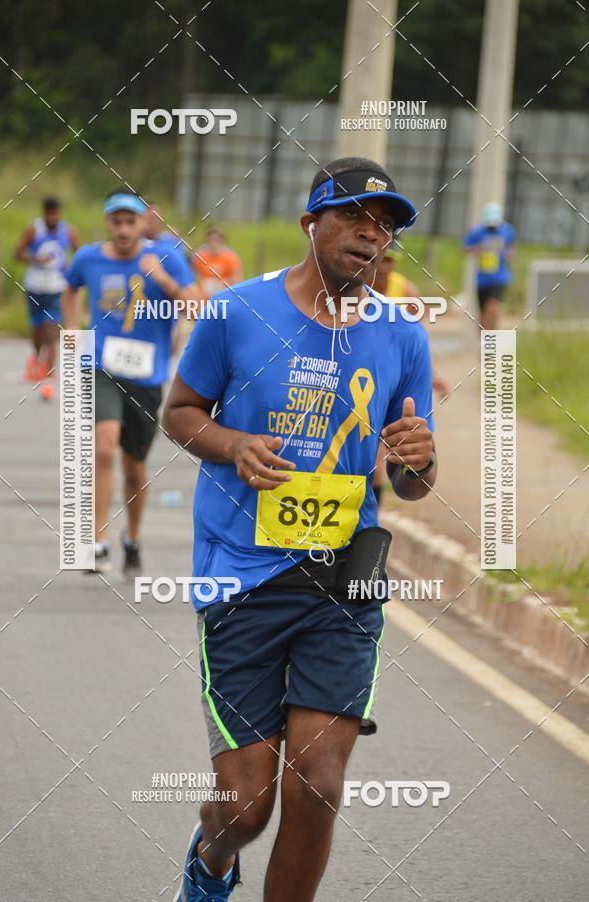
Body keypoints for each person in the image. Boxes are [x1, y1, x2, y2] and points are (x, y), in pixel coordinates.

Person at [163, 156, 438, 901]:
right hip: (242, 573)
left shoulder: (401, 336)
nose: (370, 234)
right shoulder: (236, 313)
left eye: (384, 226)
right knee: (246, 809)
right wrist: (233, 444)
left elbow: (412, 481)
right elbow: (179, 412)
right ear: (310, 222)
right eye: (354, 216)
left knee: (317, 786)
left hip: (342, 580)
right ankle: (211, 861)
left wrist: (418, 462)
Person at [62, 190, 198, 577]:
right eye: (116, 221)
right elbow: (69, 287)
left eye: (130, 221)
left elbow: (197, 304)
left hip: (147, 375)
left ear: (144, 223)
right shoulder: (88, 257)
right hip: (101, 367)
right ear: (108, 223)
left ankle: (132, 538)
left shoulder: (167, 256)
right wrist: (71, 330)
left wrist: (166, 282)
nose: (123, 229)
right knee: (103, 448)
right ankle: (97, 541)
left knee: (134, 467)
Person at [371, 245, 450, 504]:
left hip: (394, 376)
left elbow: (418, 344)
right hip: (362, 373)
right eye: (381, 260)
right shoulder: (352, 287)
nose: (384, 266)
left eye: (390, 261)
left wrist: (433, 376)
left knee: (386, 448)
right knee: (370, 456)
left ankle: (373, 514)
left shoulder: (406, 292)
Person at [14, 197, 80, 400]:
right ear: (44, 213)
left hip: (56, 289)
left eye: (56, 213)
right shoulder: (34, 230)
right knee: (37, 332)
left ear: (59, 213)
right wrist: (35, 258)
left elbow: (80, 256)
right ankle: (36, 357)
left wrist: (72, 269)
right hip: (35, 288)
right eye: (49, 214)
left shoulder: (68, 231)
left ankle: (48, 381)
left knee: (51, 333)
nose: (53, 217)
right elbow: (17, 254)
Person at [463, 201, 516, 330]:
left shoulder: (508, 231)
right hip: (482, 279)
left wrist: (507, 253)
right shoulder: (477, 232)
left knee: (492, 308)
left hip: (499, 277)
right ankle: (483, 341)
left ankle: (492, 338)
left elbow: (513, 250)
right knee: (483, 314)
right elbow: (465, 249)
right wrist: (479, 248)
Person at [191, 225, 243, 299]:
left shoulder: (231, 257)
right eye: (211, 240)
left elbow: (238, 278)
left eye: (216, 240)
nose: (213, 243)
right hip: (203, 295)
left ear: (222, 241)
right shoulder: (200, 256)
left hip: (224, 293)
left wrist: (224, 284)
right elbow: (190, 274)